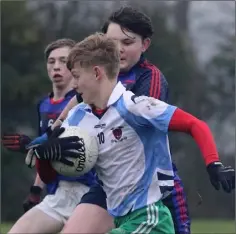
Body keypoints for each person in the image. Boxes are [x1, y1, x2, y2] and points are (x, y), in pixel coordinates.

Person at [31, 32, 235, 234]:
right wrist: (45, 156)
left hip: (150, 219)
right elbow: (48, 177)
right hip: (121, 221)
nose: (73, 85)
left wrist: (213, 164)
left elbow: (195, 124)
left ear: (96, 73)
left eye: (76, 77)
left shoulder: (135, 107)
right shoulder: (77, 117)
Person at [7, 38, 113, 234]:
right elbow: (46, 151)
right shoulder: (44, 105)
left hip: (91, 193)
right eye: (51, 61)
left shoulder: (92, 101)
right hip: (59, 194)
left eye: (63, 61)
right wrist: (36, 190)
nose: (56, 66)